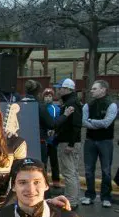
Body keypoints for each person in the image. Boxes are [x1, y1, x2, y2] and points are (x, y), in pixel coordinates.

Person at [81, 79, 116, 207]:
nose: (91, 91)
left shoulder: (111, 105)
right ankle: (89, 195)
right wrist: (96, 123)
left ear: (103, 89)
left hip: (106, 141)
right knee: (89, 170)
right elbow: (84, 122)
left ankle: (106, 197)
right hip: (90, 141)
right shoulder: (87, 105)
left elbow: (107, 123)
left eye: (94, 89)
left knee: (106, 170)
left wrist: (92, 122)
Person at [53, 78, 82, 209]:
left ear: (67, 89)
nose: (58, 90)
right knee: (73, 171)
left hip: (68, 142)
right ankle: (74, 197)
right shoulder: (72, 102)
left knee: (69, 172)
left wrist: (71, 143)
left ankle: (71, 200)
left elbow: (76, 125)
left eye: (60, 88)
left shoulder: (71, 103)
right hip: (70, 141)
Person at [41, 88, 61, 184]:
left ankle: (56, 180)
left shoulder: (56, 109)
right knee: (43, 161)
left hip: (52, 140)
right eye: (46, 96)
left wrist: (54, 131)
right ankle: (43, 180)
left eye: (50, 96)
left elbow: (57, 122)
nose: (48, 98)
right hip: (43, 139)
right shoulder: (41, 108)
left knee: (54, 160)